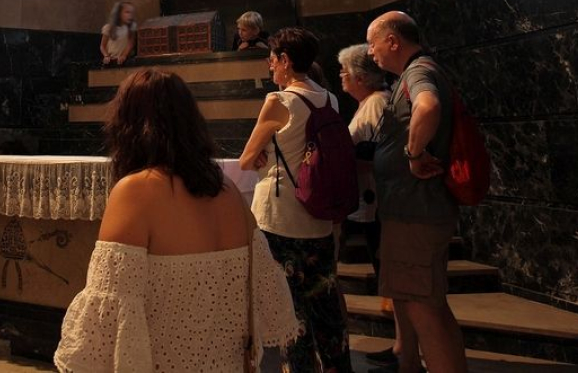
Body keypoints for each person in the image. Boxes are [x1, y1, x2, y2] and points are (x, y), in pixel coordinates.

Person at [55, 69, 299, 372]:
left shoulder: (136, 191)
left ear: (126, 124)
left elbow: (102, 330)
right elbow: (265, 296)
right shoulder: (230, 192)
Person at [239, 28, 353, 373]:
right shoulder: (330, 99)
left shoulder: (280, 101)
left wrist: (261, 155)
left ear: (285, 60)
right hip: (317, 213)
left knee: (291, 309)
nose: (270, 67)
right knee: (324, 302)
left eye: (272, 60)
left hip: (282, 215)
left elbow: (246, 158)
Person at [366, 11, 466, 373]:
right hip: (413, 211)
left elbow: (429, 106)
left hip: (416, 212)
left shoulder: (418, 72)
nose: (370, 52)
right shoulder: (417, 71)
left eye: (373, 42)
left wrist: (413, 154)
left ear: (393, 40)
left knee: (426, 312)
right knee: (427, 306)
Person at [337, 44, 389, 277]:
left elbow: (379, 153)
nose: (340, 75)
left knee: (380, 251)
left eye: (344, 70)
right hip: (368, 194)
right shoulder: (369, 102)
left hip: (376, 197)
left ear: (361, 77)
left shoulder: (376, 103)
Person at [100, 1, 137, 66]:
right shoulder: (108, 28)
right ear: (119, 14)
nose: (130, 15)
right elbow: (103, 46)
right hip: (111, 60)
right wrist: (106, 56)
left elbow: (130, 44)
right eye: (127, 12)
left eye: (132, 13)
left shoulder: (131, 28)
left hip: (126, 60)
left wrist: (123, 56)